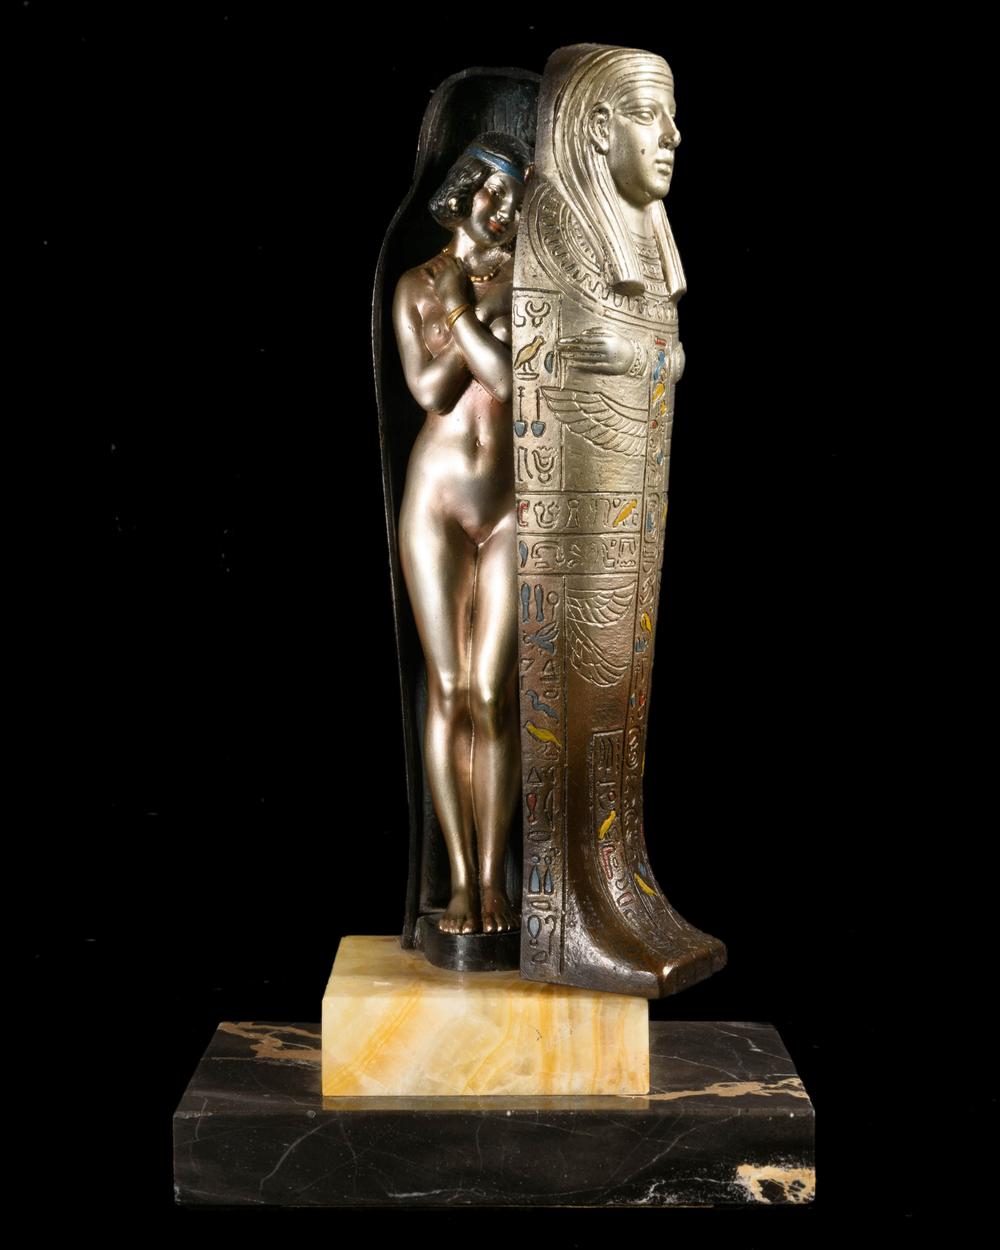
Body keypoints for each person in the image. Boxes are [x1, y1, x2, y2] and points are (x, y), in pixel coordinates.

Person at [392, 134, 531, 937]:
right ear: (462, 189)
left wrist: (457, 313)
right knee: (446, 688)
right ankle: (455, 881)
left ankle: (491, 878)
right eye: (492, 192)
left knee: (493, 693)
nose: (503, 211)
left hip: (510, 504)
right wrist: (471, 321)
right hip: (438, 500)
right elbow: (429, 390)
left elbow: (508, 380)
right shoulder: (412, 283)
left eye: (516, 200)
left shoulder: (529, 279)